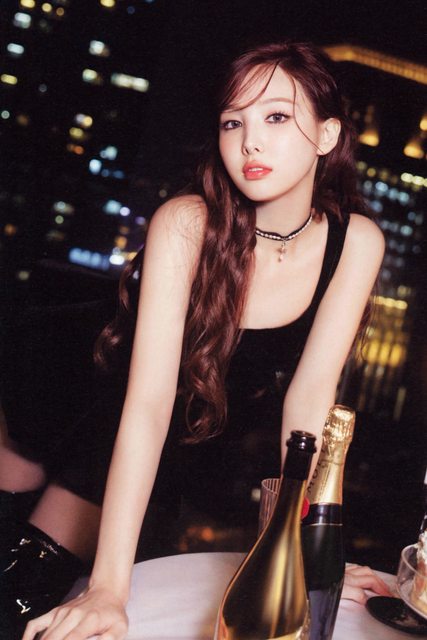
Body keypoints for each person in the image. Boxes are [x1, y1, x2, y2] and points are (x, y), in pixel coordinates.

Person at [20, 41, 389, 639]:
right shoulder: (187, 223)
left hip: (198, 455)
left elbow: (310, 406)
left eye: (276, 117)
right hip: (83, 413)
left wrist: (309, 551)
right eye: (232, 122)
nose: (250, 142)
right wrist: (108, 588)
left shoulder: (356, 242)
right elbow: (147, 405)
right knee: (26, 599)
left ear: (327, 135)